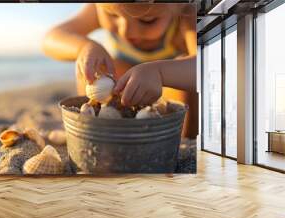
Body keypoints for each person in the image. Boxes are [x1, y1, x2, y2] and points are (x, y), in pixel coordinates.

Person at [43, 3, 198, 138]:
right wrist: (83, 47)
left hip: (163, 95)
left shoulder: (186, 13)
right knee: (94, 68)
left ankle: (184, 140)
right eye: (112, 15)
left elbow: (208, 65)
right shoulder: (101, 7)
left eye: (147, 20)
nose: (126, 31)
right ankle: (93, 128)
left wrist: (160, 73)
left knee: (187, 79)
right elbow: (51, 38)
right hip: (118, 95)